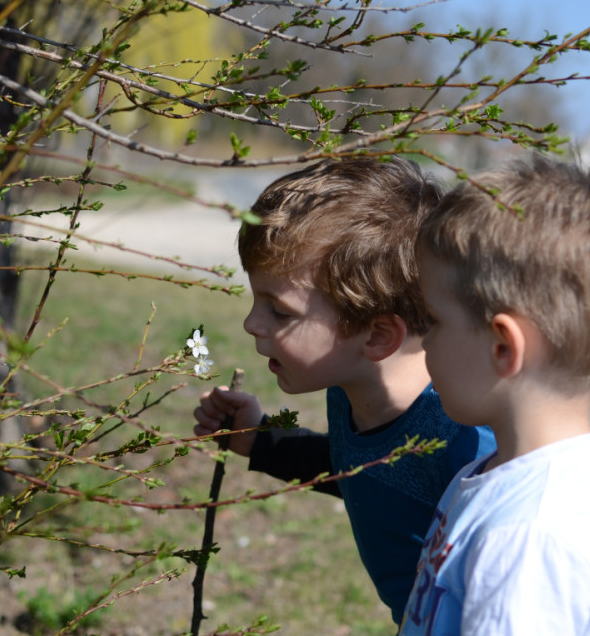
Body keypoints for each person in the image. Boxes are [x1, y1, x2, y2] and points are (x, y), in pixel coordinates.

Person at [192, 157, 497, 624]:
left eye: (280, 312)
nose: (252, 324)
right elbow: (358, 469)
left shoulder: (462, 441)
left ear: (376, 336)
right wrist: (258, 438)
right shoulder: (351, 388)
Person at [398, 154, 590, 635]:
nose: (425, 341)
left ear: (504, 346)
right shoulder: (505, 473)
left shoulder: (526, 538)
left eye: (435, 321)